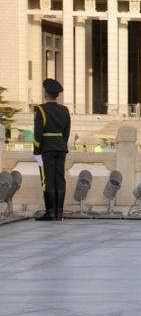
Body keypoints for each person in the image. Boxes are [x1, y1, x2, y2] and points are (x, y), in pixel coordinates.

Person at [33, 78, 71, 221]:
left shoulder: (41, 109)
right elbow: (67, 131)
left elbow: (37, 134)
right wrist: (61, 144)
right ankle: (59, 213)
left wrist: (37, 151)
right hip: (61, 148)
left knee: (47, 179)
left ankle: (50, 212)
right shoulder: (64, 110)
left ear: (46, 93)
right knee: (60, 179)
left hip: (47, 149)